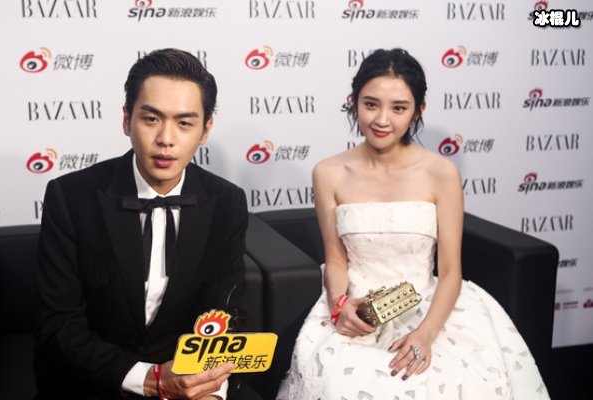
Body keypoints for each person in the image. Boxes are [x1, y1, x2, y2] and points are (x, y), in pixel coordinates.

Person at [277, 48, 549, 399]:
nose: (382, 120)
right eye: (371, 104)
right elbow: (336, 259)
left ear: (418, 110)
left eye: (399, 108)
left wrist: (425, 333)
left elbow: (450, 271)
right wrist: (340, 307)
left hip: (429, 306)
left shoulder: (441, 173)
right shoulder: (329, 172)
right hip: (359, 306)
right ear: (353, 102)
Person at [34, 48, 249, 400]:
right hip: (95, 383)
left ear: (205, 130)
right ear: (126, 120)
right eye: (151, 119)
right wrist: (149, 380)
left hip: (186, 383)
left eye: (184, 123)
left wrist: (211, 389)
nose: (166, 138)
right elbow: (58, 326)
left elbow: (224, 312)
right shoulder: (70, 197)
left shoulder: (226, 201)